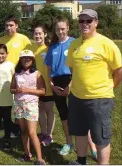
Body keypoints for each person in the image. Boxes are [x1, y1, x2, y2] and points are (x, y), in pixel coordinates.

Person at [66, 9, 122, 165]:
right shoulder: (75, 44)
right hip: (77, 97)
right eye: (81, 21)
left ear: (96, 22)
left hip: (99, 99)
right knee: (79, 131)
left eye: (88, 21)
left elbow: (118, 70)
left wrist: (110, 87)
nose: (84, 24)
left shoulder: (106, 43)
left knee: (101, 137)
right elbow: (73, 68)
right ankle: (81, 161)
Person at [44, 16, 74, 156]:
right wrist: (51, 84)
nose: (60, 32)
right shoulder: (53, 47)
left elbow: (80, 67)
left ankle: (91, 144)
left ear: (68, 28)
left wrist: (71, 84)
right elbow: (49, 69)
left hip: (72, 81)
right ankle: (68, 143)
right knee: (64, 114)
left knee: (79, 114)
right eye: (57, 29)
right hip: (56, 83)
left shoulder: (75, 43)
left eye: (63, 29)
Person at [0, 15, 31, 137]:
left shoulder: (24, 39)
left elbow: (29, 57)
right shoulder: (1, 40)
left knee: (19, 102)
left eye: (11, 25)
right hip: (4, 75)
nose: (8, 28)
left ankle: (18, 126)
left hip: (20, 75)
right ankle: (7, 123)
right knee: (6, 101)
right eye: (6, 25)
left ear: (16, 25)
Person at [10, 50, 46, 165]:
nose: (26, 60)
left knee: (32, 132)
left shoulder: (37, 74)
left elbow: (43, 91)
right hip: (18, 105)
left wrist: (27, 90)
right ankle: (27, 154)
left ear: (32, 60)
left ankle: (40, 159)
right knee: (23, 131)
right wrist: (16, 90)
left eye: (29, 58)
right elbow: (11, 89)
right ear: (20, 60)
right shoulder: (16, 74)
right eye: (23, 58)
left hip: (31, 105)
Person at [30, 25, 55, 146]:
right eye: (36, 33)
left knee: (49, 110)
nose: (38, 36)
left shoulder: (49, 48)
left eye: (40, 33)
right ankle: (43, 133)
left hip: (48, 85)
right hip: (36, 86)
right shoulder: (31, 49)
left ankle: (50, 135)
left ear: (45, 34)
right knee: (39, 110)